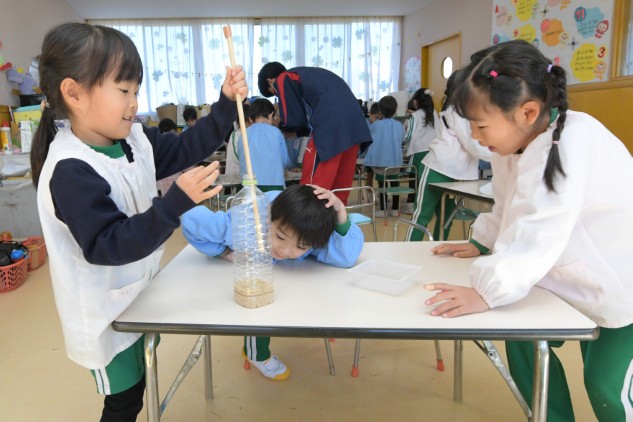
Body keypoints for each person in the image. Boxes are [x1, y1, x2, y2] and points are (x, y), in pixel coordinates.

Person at [30, 22, 247, 422]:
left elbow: (184, 147)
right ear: (74, 93)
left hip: (136, 296)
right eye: (123, 90)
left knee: (140, 382)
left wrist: (224, 104)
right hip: (103, 312)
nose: (134, 103)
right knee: (124, 401)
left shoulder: (132, 139)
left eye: (136, 90)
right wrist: (173, 204)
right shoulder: (70, 169)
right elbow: (107, 244)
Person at [426, 40, 633, 422]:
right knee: (522, 337)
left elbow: (542, 226)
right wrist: (482, 241)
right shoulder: (514, 146)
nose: (476, 137)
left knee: (606, 386)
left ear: (528, 112)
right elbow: (507, 206)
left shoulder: (571, 141)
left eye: (481, 125)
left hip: (620, 280)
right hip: (568, 272)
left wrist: (487, 291)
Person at [181, 184, 364, 380]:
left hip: (279, 274)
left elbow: (347, 257)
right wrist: (222, 252)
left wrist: (341, 213)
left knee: (294, 296)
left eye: (301, 247)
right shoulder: (245, 226)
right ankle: (256, 353)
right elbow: (190, 219)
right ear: (268, 217)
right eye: (280, 237)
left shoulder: (310, 233)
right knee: (257, 303)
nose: (285, 251)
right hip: (230, 278)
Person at [258, 62, 373, 204]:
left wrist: (283, 126)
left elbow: (293, 120)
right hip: (355, 127)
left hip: (330, 127)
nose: (278, 95)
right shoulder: (311, 75)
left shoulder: (284, 77)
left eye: (274, 92)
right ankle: (338, 217)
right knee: (339, 190)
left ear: (271, 81)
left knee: (312, 189)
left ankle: (308, 217)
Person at [406, 71, 491, 241]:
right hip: (436, 169)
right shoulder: (457, 112)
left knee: (446, 219)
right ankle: (407, 251)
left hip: (455, 174)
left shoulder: (466, 111)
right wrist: (503, 154)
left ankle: (437, 249)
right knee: (422, 216)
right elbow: (472, 144)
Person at [362, 95, 405, 217]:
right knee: (395, 184)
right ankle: (395, 209)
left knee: (382, 185)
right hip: (395, 162)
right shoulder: (399, 125)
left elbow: (371, 139)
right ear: (395, 110)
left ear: (380, 111)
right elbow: (403, 139)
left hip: (380, 162)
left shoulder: (376, 125)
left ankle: (383, 209)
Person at [237, 98, 291, 191]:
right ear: (271, 115)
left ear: (250, 119)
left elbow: (241, 158)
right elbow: (285, 160)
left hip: (249, 185)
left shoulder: (243, 134)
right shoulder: (276, 132)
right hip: (274, 184)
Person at [401, 88, 438, 215]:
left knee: (414, 179)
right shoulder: (434, 113)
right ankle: (427, 205)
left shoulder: (414, 117)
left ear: (415, 102)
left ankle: (411, 205)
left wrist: (402, 143)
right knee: (425, 179)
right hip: (431, 151)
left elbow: (408, 136)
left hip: (417, 151)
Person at [224, 103, 250, 177]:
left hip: (248, 176)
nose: (246, 126)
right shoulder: (235, 135)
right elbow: (233, 158)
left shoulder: (253, 133)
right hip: (236, 175)